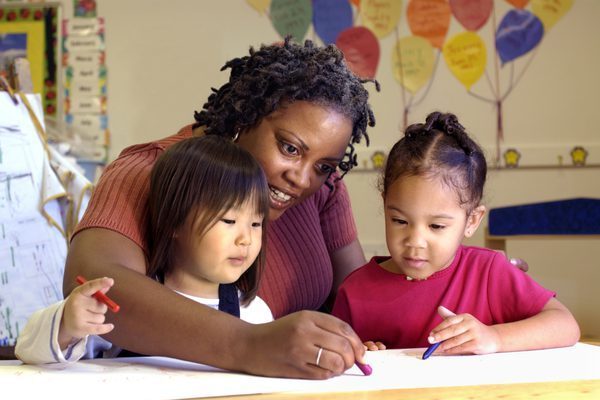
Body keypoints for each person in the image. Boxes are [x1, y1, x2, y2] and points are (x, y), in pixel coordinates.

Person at [62, 37, 375, 379]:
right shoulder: (150, 170)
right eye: (289, 148)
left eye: (324, 166)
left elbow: (361, 301)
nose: (302, 178)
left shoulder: (323, 187)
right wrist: (249, 344)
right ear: (245, 118)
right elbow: (100, 283)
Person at [332, 112, 580, 355]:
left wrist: (494, 337)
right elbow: (339, 357)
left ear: (471, 220)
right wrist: (358, 353)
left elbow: (565, 325)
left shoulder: (488, 272)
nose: (415, 241)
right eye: (399, 220)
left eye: (436, 226)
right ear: (385, 205)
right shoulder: (355, 291)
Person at [15, 136, 273, 364]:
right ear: (174, 221)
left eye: (256, 224)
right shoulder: (124, 305)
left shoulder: (256, 314)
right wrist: (66, 324)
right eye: (229, 221)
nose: (246, 239)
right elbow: (28, 350)